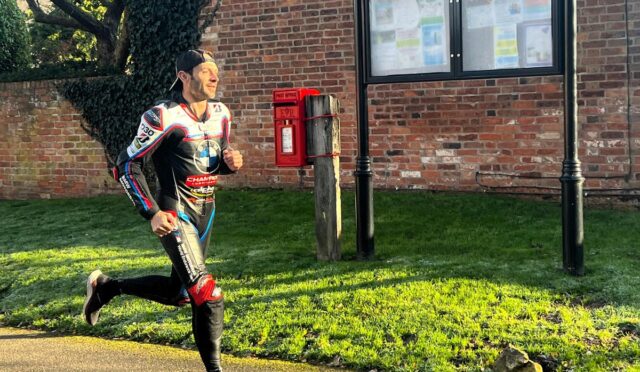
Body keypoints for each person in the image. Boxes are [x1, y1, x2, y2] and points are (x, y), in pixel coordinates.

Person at [82, 49, 243, 372]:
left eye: (216, 70)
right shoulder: (163, 116)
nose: (215, 76)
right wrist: (151, 211)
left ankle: (107, 287)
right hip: (175, 212)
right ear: (184, 76)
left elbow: (210, 160)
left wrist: (229, 163)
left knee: (180, 293)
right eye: (206, 70)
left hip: (206, 211)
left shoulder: (221, 113)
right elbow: (126, 164)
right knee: (207, 294)